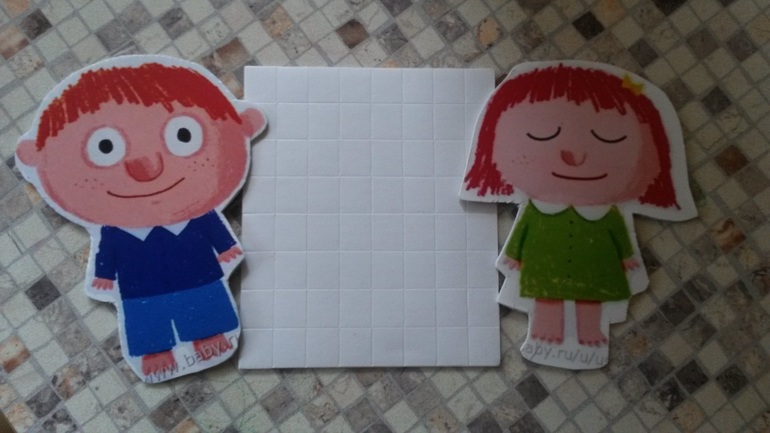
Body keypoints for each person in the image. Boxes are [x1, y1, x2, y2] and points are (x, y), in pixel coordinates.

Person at [16, 56, 266, 381]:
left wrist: (226, 248)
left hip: (199, 273)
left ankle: (210, 336)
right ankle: (155, 352)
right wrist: (104, 276)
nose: (148, 166)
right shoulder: (115, 232)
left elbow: (213, 231)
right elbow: (107, 252)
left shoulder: (198, 217)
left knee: (205, 301)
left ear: (244, 124)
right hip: (139, 286)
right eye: (105, 147)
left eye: (183, 135)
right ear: (36, 157)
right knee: (146, 317)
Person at [462, 61, 695, 367]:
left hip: (595, 273)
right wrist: (514, 257)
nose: (576, 155)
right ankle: (544, 337)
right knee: (546, 301)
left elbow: (620, 239)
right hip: (543, 272)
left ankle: (590, 339)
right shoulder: (537, 211)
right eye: (542, 134)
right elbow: (523, 235)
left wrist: (627, 260)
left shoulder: (609, 216)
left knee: (591, 302)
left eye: (610, 138)